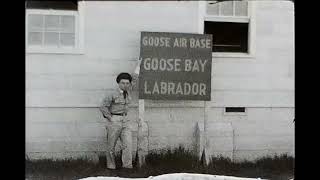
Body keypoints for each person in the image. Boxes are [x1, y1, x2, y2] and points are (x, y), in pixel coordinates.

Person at [100, 60, 141, 169]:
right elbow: (103, 107)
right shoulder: (112, 94)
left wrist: (138, 65)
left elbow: (135, 78)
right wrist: (110, 118)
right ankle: (111, 167)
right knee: (111, 146)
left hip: (125, 121)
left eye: (127, 83)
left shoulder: (129, 90)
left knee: (128, 144)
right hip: (114, 120)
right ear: (118, 83)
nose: (125, 85)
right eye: (123, 83)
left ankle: (127, 166)